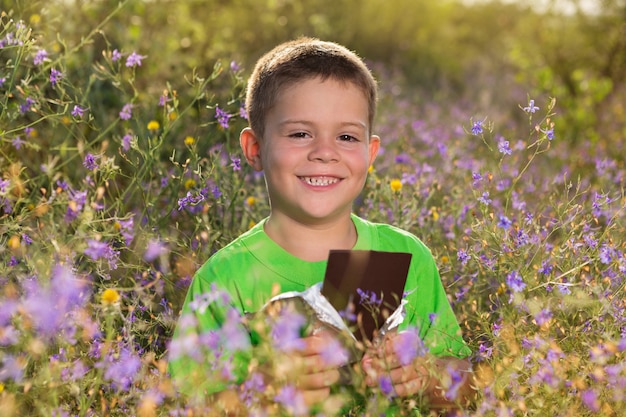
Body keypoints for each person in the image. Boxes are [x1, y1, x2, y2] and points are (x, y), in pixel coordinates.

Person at [168, 37, 474, 414]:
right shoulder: (223, 279)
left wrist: (426, 375)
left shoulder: (407, 256)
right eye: (300, 133)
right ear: (255, 149)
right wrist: (262, 390)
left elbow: (464, 381)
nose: (324, 152)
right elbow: (189, 405)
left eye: (346, 137)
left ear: (370, 153)